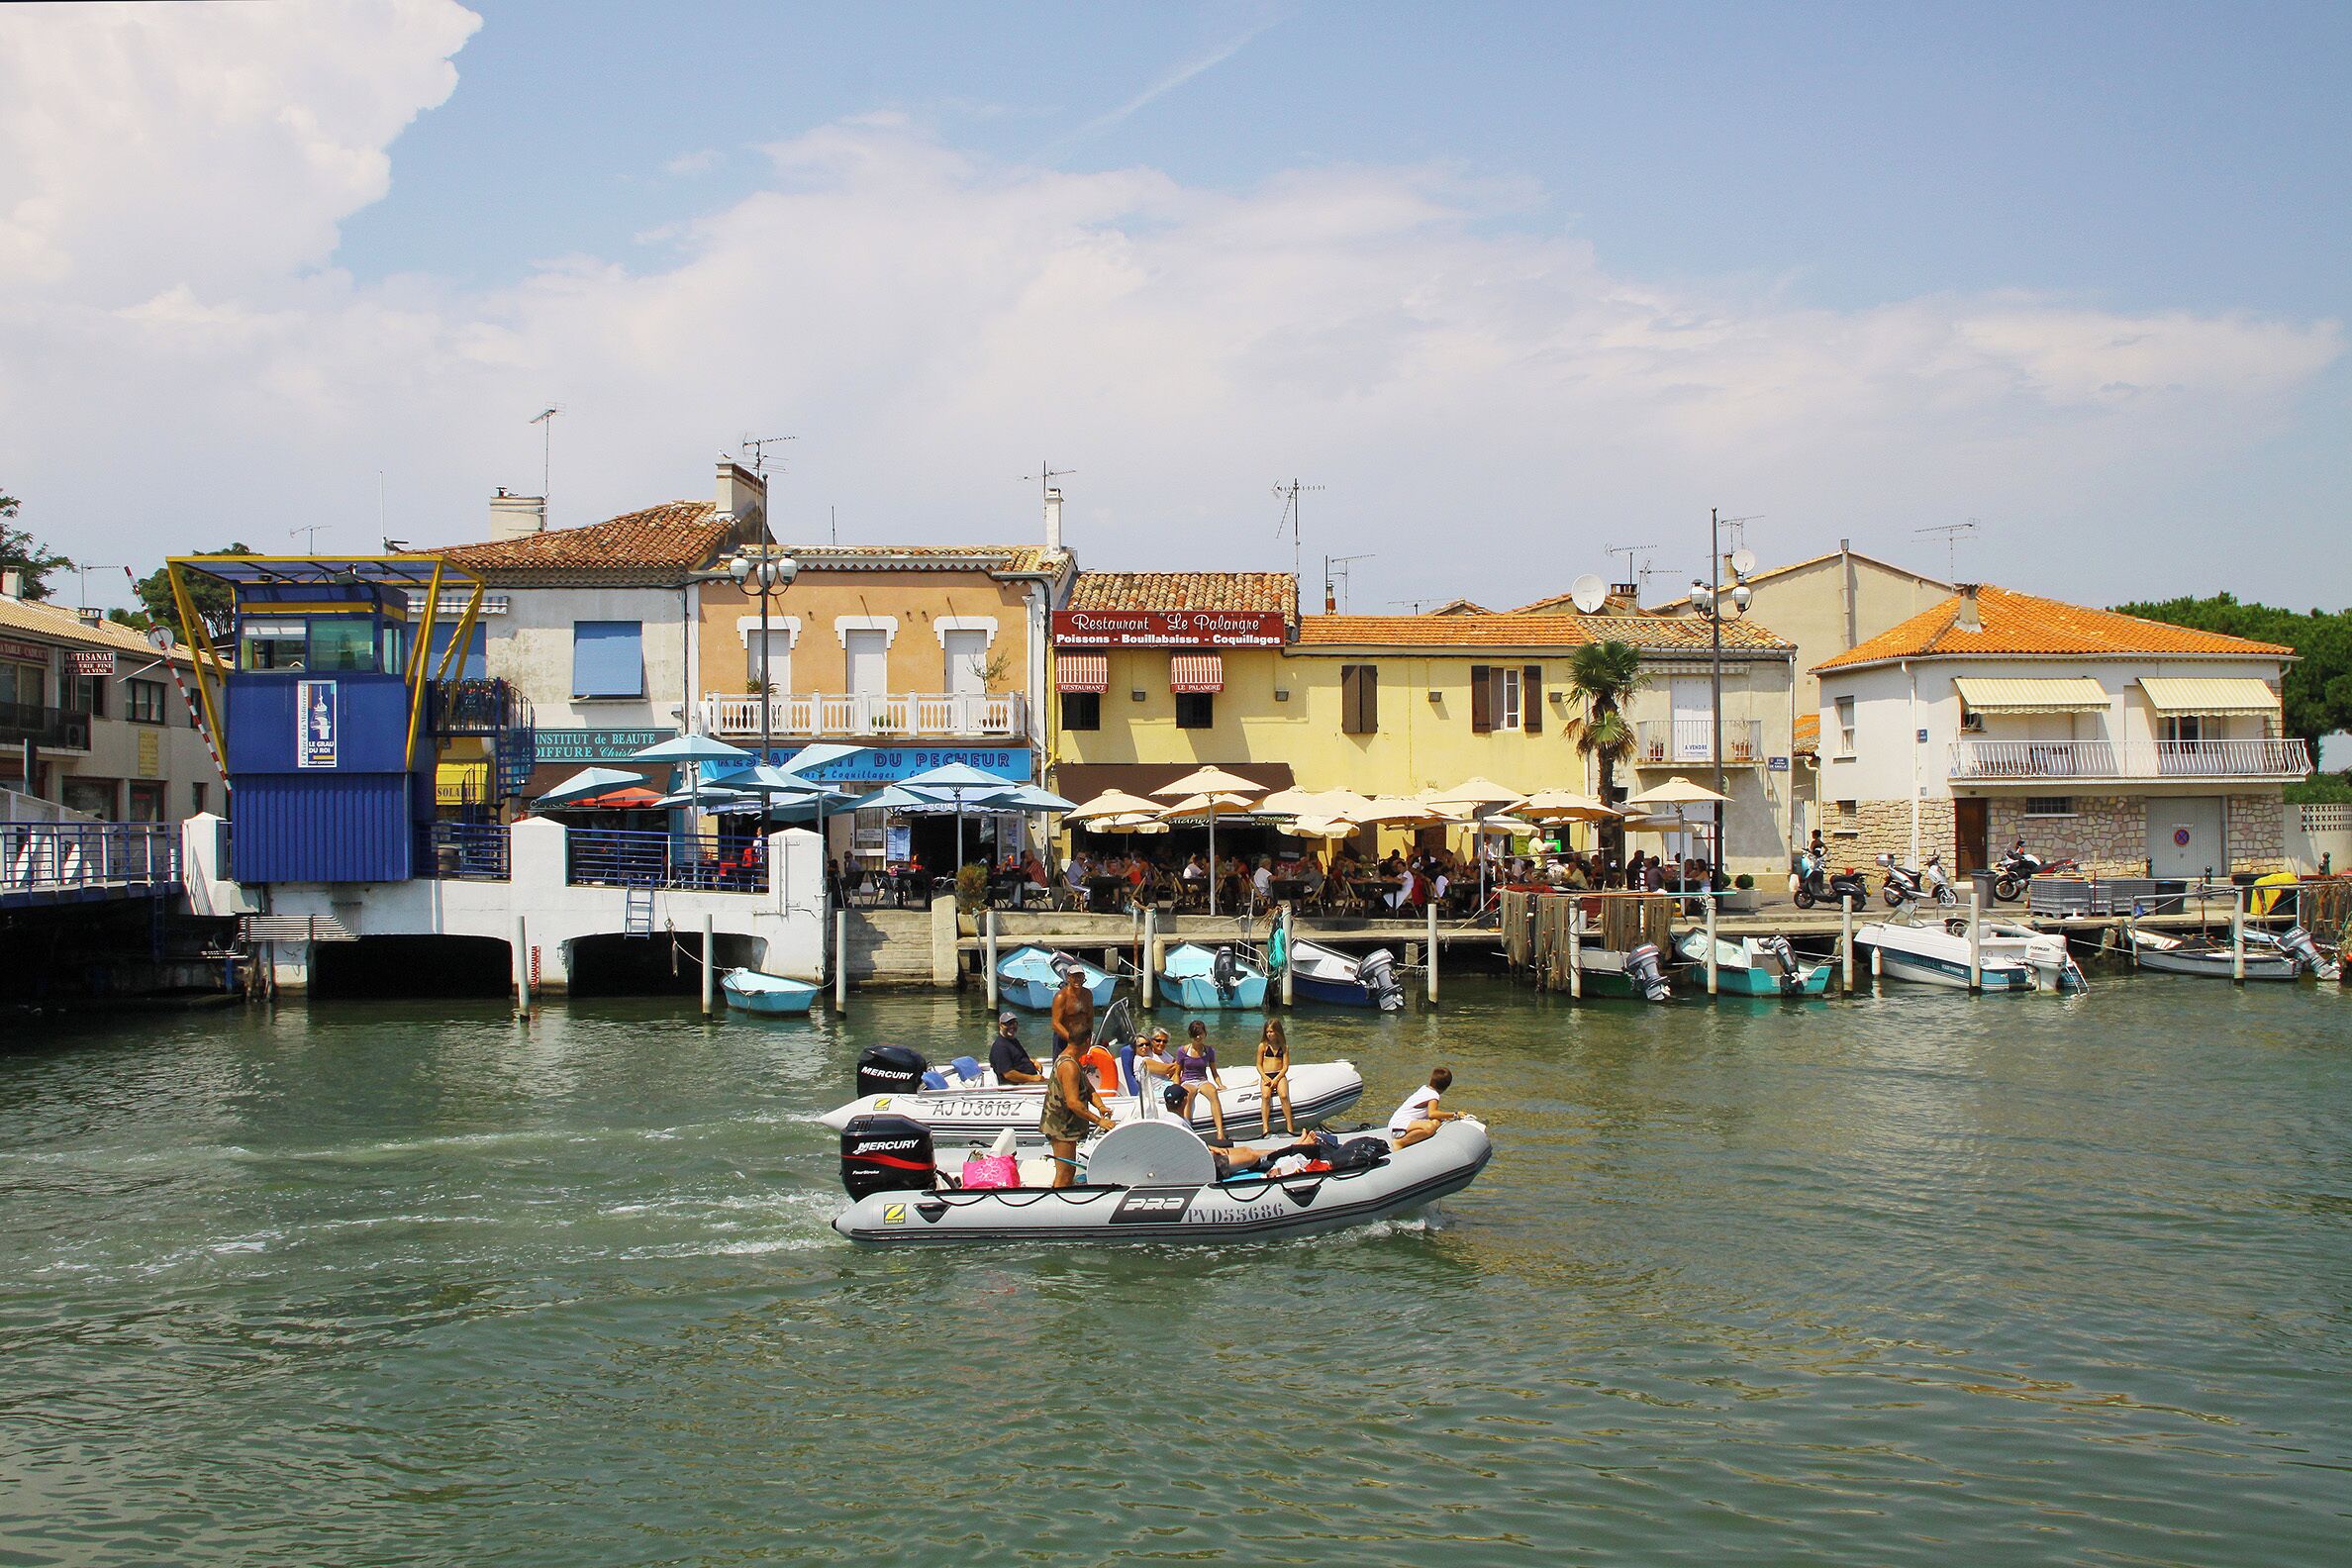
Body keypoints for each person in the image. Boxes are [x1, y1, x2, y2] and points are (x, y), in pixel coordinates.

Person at [1040, 1036, 1117, 1187]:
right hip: (1061, 1127)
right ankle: (1058, 1205)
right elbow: (1073, 1103)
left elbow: (1089, 1089)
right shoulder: (1068, 1066)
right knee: (1065, 1174)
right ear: (1087, 1041)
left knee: (1070, 1171)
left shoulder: (1075, 1061)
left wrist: (1101, 1107)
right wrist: (1099, 1121)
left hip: (1068, 1126)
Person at [1174, 1020, 1226, 1140]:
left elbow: (1214, 1072)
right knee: (1188, 1095)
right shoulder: (1182, 1051)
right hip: (1188, 1080)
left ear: (1205, 1034)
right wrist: (1176, 1086)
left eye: (1201, 1034)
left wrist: (1220, 1084)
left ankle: (1220, 1132)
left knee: (1213, 1093)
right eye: (1195, 1034)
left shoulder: (1209, 1051)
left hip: (1202, 1080)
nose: (1198, 1037)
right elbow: (1177, 1073)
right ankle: (1187, 1130)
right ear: (1191, 1035)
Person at [1388, 1066, 1460, 1148]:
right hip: (1399, 1126)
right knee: (1430, 1127)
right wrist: (1455, 1114)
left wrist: (1445, 1118)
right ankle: (1400, 1142)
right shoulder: (1434, 1096)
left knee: (1436, 1122)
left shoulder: (1425, 1089)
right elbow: (1432, 1114)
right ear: (1446, 1086)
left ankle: (1411, 1139)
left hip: (1397, 1124)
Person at [1255, 1019, 1295, 1136]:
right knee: (1265, 1096)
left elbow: (1285, 1066)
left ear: (1277, 1031)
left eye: (1271, 1031)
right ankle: (1265, 1128)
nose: (1269, 1034)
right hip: (1266, 1075)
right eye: (1267, 1032)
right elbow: (1258, 1064)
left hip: (1279, 1075)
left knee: (1283, 1095)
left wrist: (1277, 1079)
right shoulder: (1263, 1046)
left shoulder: (1284, 1047)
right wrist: (1265, 1077)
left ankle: (1289, 1126)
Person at [1049, 964, 1094, 1061]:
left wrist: (1088, 1038)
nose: (1078, 979)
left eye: (1080, 976)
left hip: (1082, 1039)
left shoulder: (1087, 994)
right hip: (1064, 1039)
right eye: (1074, 976)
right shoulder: (1061, 997)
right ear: (1068, 978)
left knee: (1082, 1067)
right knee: (1062, 1066)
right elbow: (1055, 1024)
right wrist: (1071, 1040)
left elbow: (1090, 1018)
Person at [987, 1012, 1042, 1086]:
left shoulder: (1012, 1040)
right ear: (1000, 1025)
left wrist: (1032, 1062)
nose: (1012, 1026)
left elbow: (1017, 1058)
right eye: (1008, 1024)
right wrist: (1033, 1078)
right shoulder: (1000, 1047)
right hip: (1019, 1086)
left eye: (1014, 1023)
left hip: (1029, 1081)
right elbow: (1009, 1074)